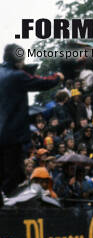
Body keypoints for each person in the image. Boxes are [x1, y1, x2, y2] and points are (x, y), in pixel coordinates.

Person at [0, 44, 63, 197]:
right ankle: (10, 213)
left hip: (2, 133)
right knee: (14, 177)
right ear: (18, 60)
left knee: (4, 173)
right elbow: (40, 82)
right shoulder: (18, 76)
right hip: (12, 134)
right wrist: (58, 77)